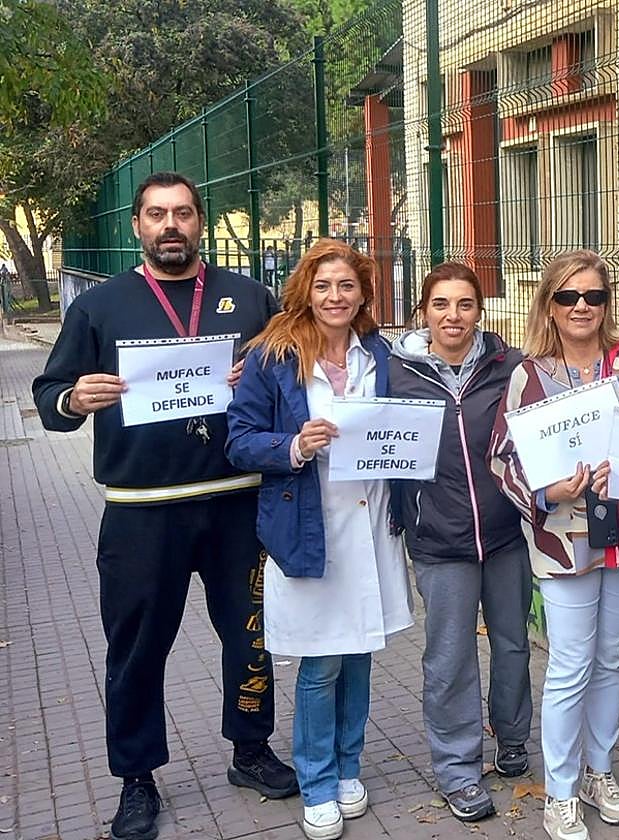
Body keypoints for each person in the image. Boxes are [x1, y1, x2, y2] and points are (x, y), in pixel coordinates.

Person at [31, 171, 297, 840]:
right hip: (142, 508)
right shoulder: (101, 308)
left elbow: (293, 380)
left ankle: (250, 748)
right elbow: (49, 396)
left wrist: (258, 378)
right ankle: (137, 777)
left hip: (237, 503)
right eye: (156, 215)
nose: (169, 225)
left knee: (251, 639)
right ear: (138, 227)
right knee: (138, 649)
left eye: (181, 213)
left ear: (200, 221)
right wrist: (73, 399)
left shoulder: (250, 297)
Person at [224, 239, 414, 840]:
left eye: (347, 286)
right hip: (307, 527)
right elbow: (238, 439)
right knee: (321, 660)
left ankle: (351, 766)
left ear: (363, 294)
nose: (335, 297)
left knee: (359, 651)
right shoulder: (273, 355)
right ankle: (317, 779)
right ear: (305, 289)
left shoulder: (377, 352)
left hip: (370, 523)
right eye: (323, 285)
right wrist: (295, 445)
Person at [490, 250, 619, 840]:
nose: (582, 306)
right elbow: (503, 460)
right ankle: (559, 791)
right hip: (564, 540)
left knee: (612, 659)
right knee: (569, 665)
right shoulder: (529, 376)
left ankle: (598, 771)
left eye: (593, 296)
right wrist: (546, 488)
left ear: (607, 303)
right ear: (550, 306)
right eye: (568, 297)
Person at [387, 262, 532, 822]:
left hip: (505, 533)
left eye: (465, 304)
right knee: (449, 658)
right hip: (438, 538)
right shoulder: (395, 372)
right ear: (423, 311)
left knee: (514, 645)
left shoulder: (508, 366)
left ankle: (513, 738)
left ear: (480, 309)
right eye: (441, 304)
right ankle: (458, 768)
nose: (454, 316)